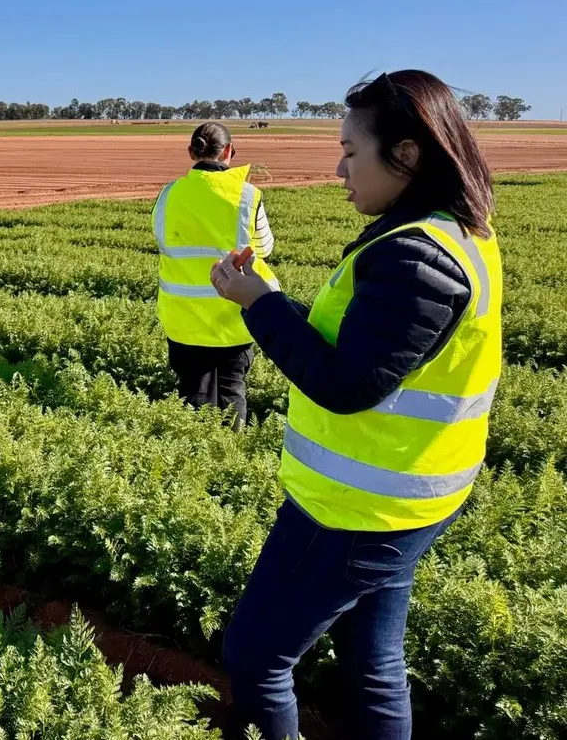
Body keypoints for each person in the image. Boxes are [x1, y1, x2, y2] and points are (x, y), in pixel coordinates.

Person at [212, 70, 501, 740]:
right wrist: (269, 299)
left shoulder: (416, 258)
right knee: (372, 660)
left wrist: (260, 304)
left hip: (355, 509)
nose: (339, 168)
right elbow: (371, 356)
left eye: (350, 151)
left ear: (405, 154)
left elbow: (348, 384)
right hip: (405, 495)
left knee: (256, 658)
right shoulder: (453, 232)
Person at [152, 121, 278, 426]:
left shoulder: (169, 194)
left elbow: (161, 239)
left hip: (182, 317)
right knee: (231, 390)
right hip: (233, 314)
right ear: (229, 151)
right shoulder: (247, 195)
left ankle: (192, 460)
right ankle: (228, 458)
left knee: (191, 394)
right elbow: (264, 247)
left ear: (191, 152)